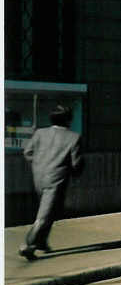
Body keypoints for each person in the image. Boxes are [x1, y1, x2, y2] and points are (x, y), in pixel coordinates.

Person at [20, 104, 84, 260]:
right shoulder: (73, 137)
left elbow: (28, 152)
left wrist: (39, 164)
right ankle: (29, 244)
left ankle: (42, 242)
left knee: (52, 210)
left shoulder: (40, 133)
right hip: (57, 179)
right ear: (68, 120)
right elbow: (76, 164)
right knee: (45, 214)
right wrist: (74, 170)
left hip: (38, 176)